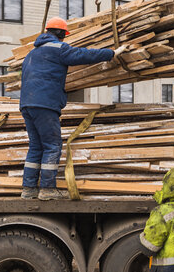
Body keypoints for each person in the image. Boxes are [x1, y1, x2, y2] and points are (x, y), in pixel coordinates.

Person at [19, 17, 117, 200]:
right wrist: (110, 53)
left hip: (26, 104)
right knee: (52, 145)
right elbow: (84, 55)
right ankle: (47, 189)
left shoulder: (31, 53)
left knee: (36, 146)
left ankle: (29, 189)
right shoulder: (59, 49)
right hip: (45, 104)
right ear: (62, 34)